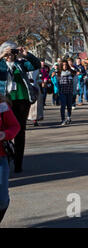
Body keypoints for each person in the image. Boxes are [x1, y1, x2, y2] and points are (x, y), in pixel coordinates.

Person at [0, 41, 40, 173]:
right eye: (8, 51)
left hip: (22, 99)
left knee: (20, 131)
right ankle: (6, 156)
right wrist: (1, 55)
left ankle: (18, 163)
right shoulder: (1, 64)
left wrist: (26, 55)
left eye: (12, 51)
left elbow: (36, 65)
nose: (10, 54)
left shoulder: (21, 63)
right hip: (5, 100)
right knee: (4, 130)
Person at [0, 96, 21, 223]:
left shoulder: (2, 106)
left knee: (2, 200)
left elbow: (15, 126)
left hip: (1, 156)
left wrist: (5, 134)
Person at [52, 60, 76, 125]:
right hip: (62, 92)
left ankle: (69, 117)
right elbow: (53, 79)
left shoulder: (71, 72)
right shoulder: (58, 73)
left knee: (69, 106)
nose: (64, 66)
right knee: (63, 106)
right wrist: (52, 76)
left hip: (70, 92)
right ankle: (63, 119)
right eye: (63, 65)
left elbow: (76, 77)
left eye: (65, 65)